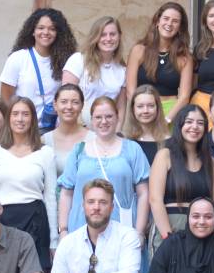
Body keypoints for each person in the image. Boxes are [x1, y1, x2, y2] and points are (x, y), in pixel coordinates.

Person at [56, 96, 151, 239]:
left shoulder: (132, 149)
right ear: (92, 121)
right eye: (98, 117)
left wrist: (139, 231)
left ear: (117, 117)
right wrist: (63, 230)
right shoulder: (79, 150)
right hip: (81, 229)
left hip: (122, 229)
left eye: (109, 116)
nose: (104, 121)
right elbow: (66, 193)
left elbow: (143, 193)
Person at [0, 96, 57, 273]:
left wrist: (54, 240)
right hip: (4, 220)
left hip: (36, 220)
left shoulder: (45, 153)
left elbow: (50, 196)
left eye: (25, 114)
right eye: (15, 114)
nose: (20, 119)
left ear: (33, 119)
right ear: (9, 118)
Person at [149, 104, 214, 257]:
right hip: (170, 225)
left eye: (200, 123)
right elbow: (155, 200)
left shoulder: (210, 161)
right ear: (179, 125)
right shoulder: (165, 155)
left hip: (202, 228)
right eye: (189, 122)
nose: (194, 127)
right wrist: (168, 237)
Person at [0, 8, 77, 130]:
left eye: (52, 29)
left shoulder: (66, 60)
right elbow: (5, 99)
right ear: (33, 31)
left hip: (55, 129)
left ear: (58, 33)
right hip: (24, 129)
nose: (46, 32)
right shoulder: (18, 58)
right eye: (41, 28)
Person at [125, 2, 193, 120]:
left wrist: (167, 119)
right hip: (141, 111)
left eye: (175, 21)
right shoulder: (139, 50)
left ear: (180, 28)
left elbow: (184, 96)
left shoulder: (184, 57)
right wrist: (139, 111)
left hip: (170, 112)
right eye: (166, 19)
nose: (169, 24)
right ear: (157, 21)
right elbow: (130, 90)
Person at [63, 15, 128, 112]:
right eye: (103, 34)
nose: (108, 38)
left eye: (112, 34)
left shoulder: (122, 69)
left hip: (106, 124)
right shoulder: (78, 60)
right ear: (95, 37)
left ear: (119, 36)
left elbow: (121, 108)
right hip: (78, 123)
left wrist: (118, 127)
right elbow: (65, 98)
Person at [42, 83, 88, 184]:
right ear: (55, 105)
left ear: (82, 106)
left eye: (75, 102)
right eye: (64, 102)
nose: (69, 107)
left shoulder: (93, 139)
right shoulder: (44, 140)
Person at [122, 84, 169, 164]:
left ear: (157, 108)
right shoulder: (122, 141)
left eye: (150, 106)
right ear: (133, 109)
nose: (145, 111)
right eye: (140, 106)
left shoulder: (169, 142)